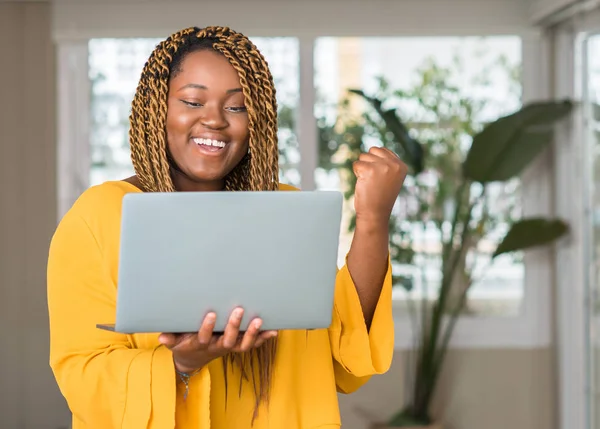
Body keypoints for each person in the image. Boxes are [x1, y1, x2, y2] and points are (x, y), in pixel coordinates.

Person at [47, 26, 407, 429]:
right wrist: (182, 363)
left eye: (236, 107)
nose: (214, 120)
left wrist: (374, 218)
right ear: (157, 109)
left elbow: (344, 353)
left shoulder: (284, 212)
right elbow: (81, 373)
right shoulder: (100, 215)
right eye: (192, 101)